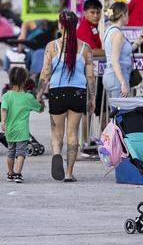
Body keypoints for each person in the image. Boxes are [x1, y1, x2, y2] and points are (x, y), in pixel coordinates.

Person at [37, 11, 96, 182]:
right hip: (78, 93)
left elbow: (45, 73)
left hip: (57, 92)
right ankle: (69, 173)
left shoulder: (52, 46)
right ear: (76, 25)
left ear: (60, 25)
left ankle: (56, 153)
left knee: (57, 133)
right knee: (73, 133)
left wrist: (39, 95)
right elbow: (90, 76)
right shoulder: (85, 48)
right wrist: (91, 98)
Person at [1, 67, 44, 183]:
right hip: (22, 130)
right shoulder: (28, 97)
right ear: (24, 81)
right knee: (21, 153)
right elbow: (40, 109)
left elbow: (4, 109)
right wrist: (41, 102)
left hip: (10, 129)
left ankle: (10, 173)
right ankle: (18, 174)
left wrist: (3, 122)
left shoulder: (6, 96)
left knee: (11, 152)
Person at [102, 2, 143, 99]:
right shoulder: (118, 34)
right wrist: (123, 82)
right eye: (128, 14)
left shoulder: (110, 31)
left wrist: (138, 42)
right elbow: (115, 60)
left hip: (113, 76)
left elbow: (123, 52)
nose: (128, 17)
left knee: (116, 110)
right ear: (123, 15)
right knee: (121, 111)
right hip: (118, 77)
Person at [77, 0, 105, 117]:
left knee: (97, 110)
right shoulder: (84, 27)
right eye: (92, 12)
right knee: (87, 113)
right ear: (85, 13)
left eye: (98, 12)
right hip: (87, 74)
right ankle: (85, 137)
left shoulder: (93, 27)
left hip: (93, 72)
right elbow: (90, 51)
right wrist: (110, 52)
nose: (96, 15)